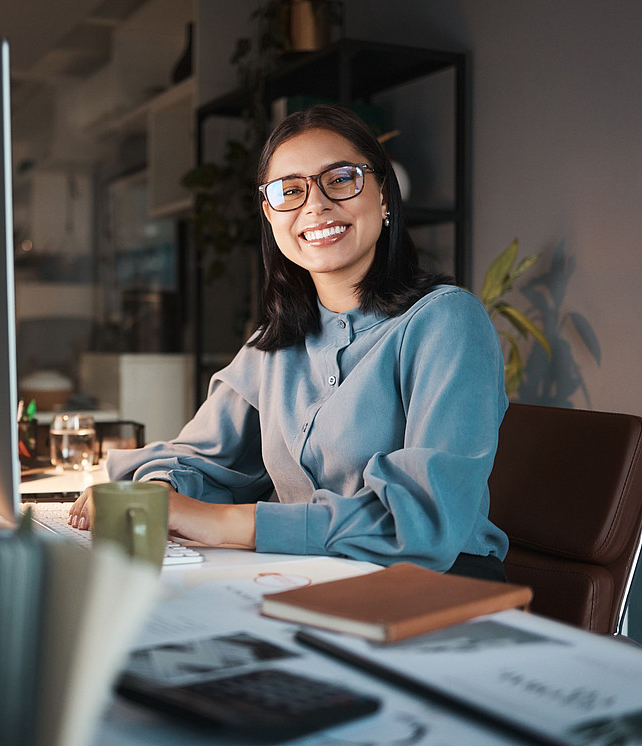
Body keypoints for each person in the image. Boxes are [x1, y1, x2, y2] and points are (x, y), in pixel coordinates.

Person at [70, 104, 510, 581]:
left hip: (437, 590)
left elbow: (423, 523)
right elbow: (198, 456)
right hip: (308, 578)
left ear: (384, 196)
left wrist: (223, 522)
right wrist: (155, 494)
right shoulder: (274, 342)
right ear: (271, 216)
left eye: (340, 179)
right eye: (290, 191)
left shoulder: (445, 321)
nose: (315, 205)